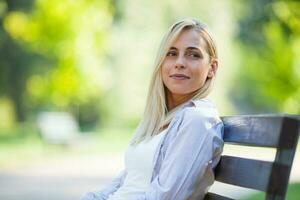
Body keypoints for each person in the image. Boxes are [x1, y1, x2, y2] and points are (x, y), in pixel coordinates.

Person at [81, 18, 224, 200]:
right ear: (161, 62)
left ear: (212, 68)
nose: (179, 62)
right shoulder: (161, 120)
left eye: (193, 54)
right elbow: (127, 182)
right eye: (171, 53)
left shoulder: (198, 121)